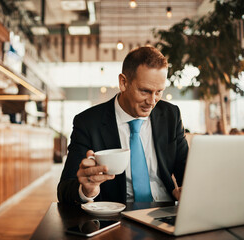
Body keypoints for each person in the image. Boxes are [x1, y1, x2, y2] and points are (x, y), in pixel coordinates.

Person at [57, 46, 189, 204]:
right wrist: (87, 190)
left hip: (166, 210)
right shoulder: (88, 123)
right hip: (117, 216)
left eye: (159, 91)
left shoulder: (170, 115)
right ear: (123, 82)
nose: (152, 101)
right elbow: (64, 190)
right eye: (145, 91)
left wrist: (190, 190)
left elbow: (187, 171)